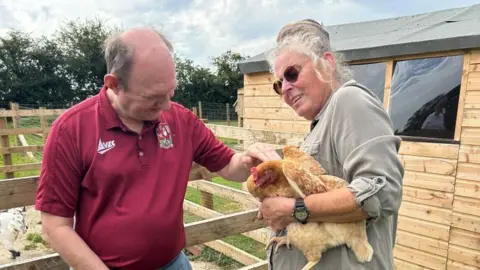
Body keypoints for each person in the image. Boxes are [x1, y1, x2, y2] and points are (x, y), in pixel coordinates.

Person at [34, 27, 277, 270]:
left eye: (170, 92)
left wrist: (246, 161)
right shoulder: (71, 130)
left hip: (173, 263)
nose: (166, 106)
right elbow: (55, 226)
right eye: (154, 97)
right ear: (114, 84)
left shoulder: (181, 120)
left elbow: (228, 167)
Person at [253, 19, 405, 270]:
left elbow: (381, 192)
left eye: (292, 73)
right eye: (279, 83)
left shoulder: (350, 100)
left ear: (327, 64)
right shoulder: (322, 122)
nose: (286, 88)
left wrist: (293, 210)